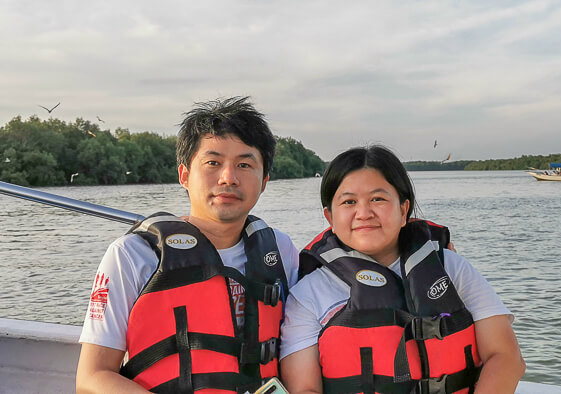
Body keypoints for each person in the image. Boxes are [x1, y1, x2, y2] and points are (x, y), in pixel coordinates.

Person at [76, 97, 300, 393]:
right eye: (213, 163)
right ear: (184, 175)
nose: (228, 178)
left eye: (244, 164)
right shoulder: (132, 255)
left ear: (264, 181)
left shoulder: (280, 252)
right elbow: (91, 378)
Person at [280, 145, 525, 394]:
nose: (364, 213)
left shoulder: (450, 268)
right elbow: (304, 388)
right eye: (349, 201)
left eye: (378, 199)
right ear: (330, 218)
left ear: (403, 210)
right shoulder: (307, 295)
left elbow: (505, 357)